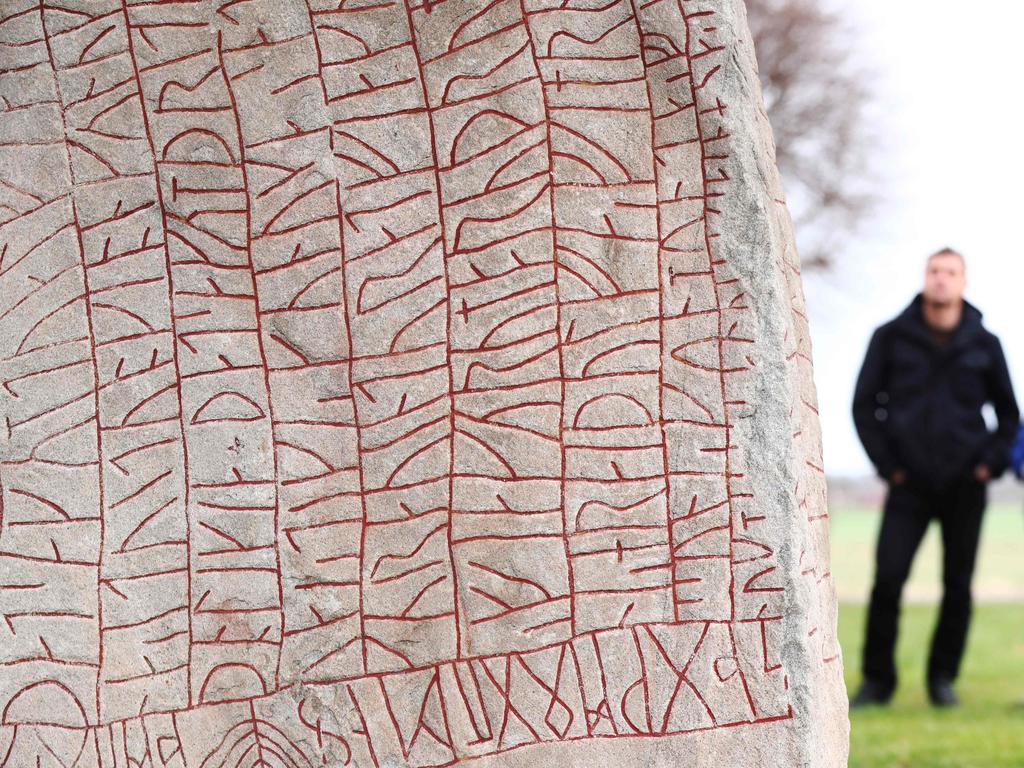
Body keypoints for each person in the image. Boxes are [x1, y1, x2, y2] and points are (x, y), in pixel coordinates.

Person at [850, 247, 1019, 708]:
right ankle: (877, 682)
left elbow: (1008, 416)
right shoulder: (890, 337)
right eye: (934, 271)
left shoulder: (986, 343)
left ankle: (943, 679)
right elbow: (865, 406)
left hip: (967, 484)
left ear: (964, 282)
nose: (941, 279)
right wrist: (889, 467)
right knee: (888, 578)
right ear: (924, 278)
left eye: (950, 273)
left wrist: (991, 464)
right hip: (909, 485)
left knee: (958, 585)